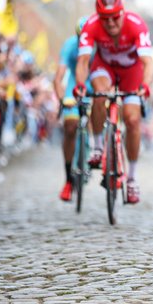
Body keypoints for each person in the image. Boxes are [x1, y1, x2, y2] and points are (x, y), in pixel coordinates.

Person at [74, 0, 153, 205]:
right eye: (105, 19)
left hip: (132, 71)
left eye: (115, 17)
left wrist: (145, 85)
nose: (110, 23)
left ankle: (132, 179)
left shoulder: (136, 24)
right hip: (105, 67)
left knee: (133, 119)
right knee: (99, 94)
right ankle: (98, 146)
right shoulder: (91, 25)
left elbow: (148, 63)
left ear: (123, 12)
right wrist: (81, 85)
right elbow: (82, 62)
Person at [53, 16, 89, 202]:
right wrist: (61, 99)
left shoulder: (101, 45)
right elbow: (59, 77)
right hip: (74, 87)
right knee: (70, 127)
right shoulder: (69, 45)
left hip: (94, 85)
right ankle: (68, 179)